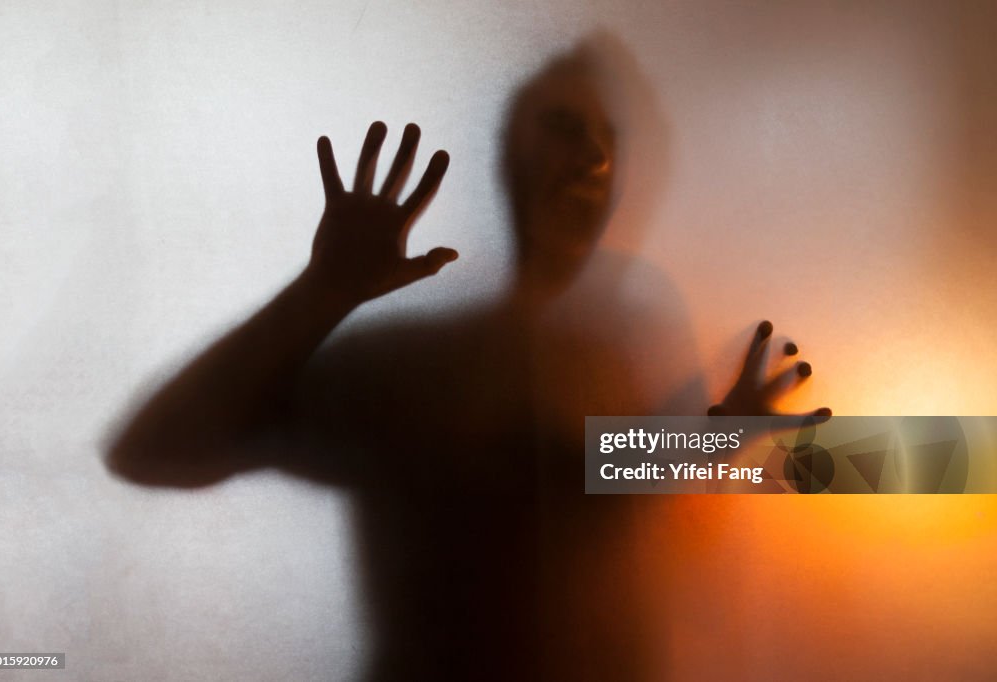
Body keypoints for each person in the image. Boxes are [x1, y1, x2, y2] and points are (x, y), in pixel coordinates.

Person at [109, 41, 829, 681]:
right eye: (563, 126)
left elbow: (591, 481)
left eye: (612, 136)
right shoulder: (413, 357)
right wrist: (320, 291)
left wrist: (711, 444)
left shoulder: (621, 342)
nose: (597, 157)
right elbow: (149, 450)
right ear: (497, 153)